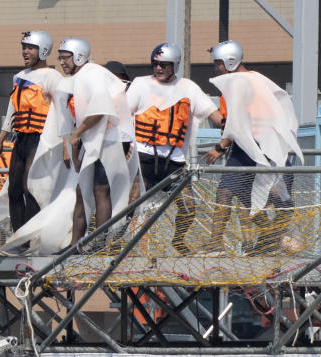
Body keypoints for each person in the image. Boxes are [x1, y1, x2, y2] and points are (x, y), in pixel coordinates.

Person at [202, 40, 301, 255]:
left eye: (217, 63)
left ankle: (272, 241)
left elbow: (237, 123)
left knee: (272, 199)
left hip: (265, 147)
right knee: (228, 193)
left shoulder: (239, 82)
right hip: (244, 149)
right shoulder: (254, 78)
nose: (215, 68)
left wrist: (219, 147)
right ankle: (216, 244)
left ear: (230, 62)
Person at [126, 43, 223, 254]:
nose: (158, 68)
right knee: (132, 201)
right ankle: (115, 241)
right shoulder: (140, 84)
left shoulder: (188, 87)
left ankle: (178, 240)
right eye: (155, 64)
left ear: (175, 65)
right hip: (144, 156)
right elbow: (122, 115)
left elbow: (215, 116)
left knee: (188, 206)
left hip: (174, 161)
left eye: (164, 65)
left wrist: (230, 128)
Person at [56, 37, 135, 245]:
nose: (62, 62)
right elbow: (75, 117)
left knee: (101, 190)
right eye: (60, 58)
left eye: (66, 58)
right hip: (91, 137)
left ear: (79, 57)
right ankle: (75, 244)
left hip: (110, 138)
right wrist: (72, 144)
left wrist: (77, 134)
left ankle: (100, 243)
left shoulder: (93, 74)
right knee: (81, 190)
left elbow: (100, 111)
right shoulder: (77, 78)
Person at [0, 30, 62, 233]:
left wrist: (65, 144)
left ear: (43, 50)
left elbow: (64, 111)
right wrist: (0, 139)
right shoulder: (19, 77)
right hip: (21, 138)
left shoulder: (52, 76)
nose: (25, 52)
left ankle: (32, 234)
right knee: (14, 189)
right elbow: (11, 109)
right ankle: (19, 234)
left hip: (41, 139)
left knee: (29, 187)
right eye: (24, 47)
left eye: (30, 48)